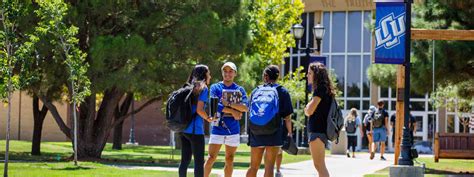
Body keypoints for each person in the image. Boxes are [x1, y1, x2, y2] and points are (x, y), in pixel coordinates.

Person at [246, 65, 293, 177]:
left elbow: (250, 111)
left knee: (253, 166)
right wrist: (290, 133)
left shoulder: (256, 91)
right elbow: (287, 117)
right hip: (274, 131)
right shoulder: (282, 91)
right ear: (277, 77)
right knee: (269, 167)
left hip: (256, 130)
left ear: (265, 76)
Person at [204, 62, 248, 177]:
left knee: (229, 159)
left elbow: (245, 107)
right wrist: (233, 111)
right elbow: (215, 105)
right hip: (217, 128)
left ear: (235, 73)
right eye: (225, 71)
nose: (227, 74)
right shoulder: (215, 87)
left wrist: (228, 104)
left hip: (233, 129)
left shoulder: (240, 89)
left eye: (230, 71)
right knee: (211, 158)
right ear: (222, 72)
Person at [179, 65, 214, 177]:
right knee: (199, 163)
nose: (210, 76)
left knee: (184, 161)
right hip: (195, 131)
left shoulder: (187, 86)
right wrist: (208, 118)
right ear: (204, 75)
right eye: (208, 73)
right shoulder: (203, 88)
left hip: (183, 129)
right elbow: (199, 110)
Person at [304, 62, 335, 177]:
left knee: (319, 165)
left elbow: (309, 110)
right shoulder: (324, 89)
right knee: (319, 165)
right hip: (320, 130)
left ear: (316, 75)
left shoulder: (320, 89)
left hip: (317, 131)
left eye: (310, 73)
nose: (307, 75)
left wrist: (306, 108)